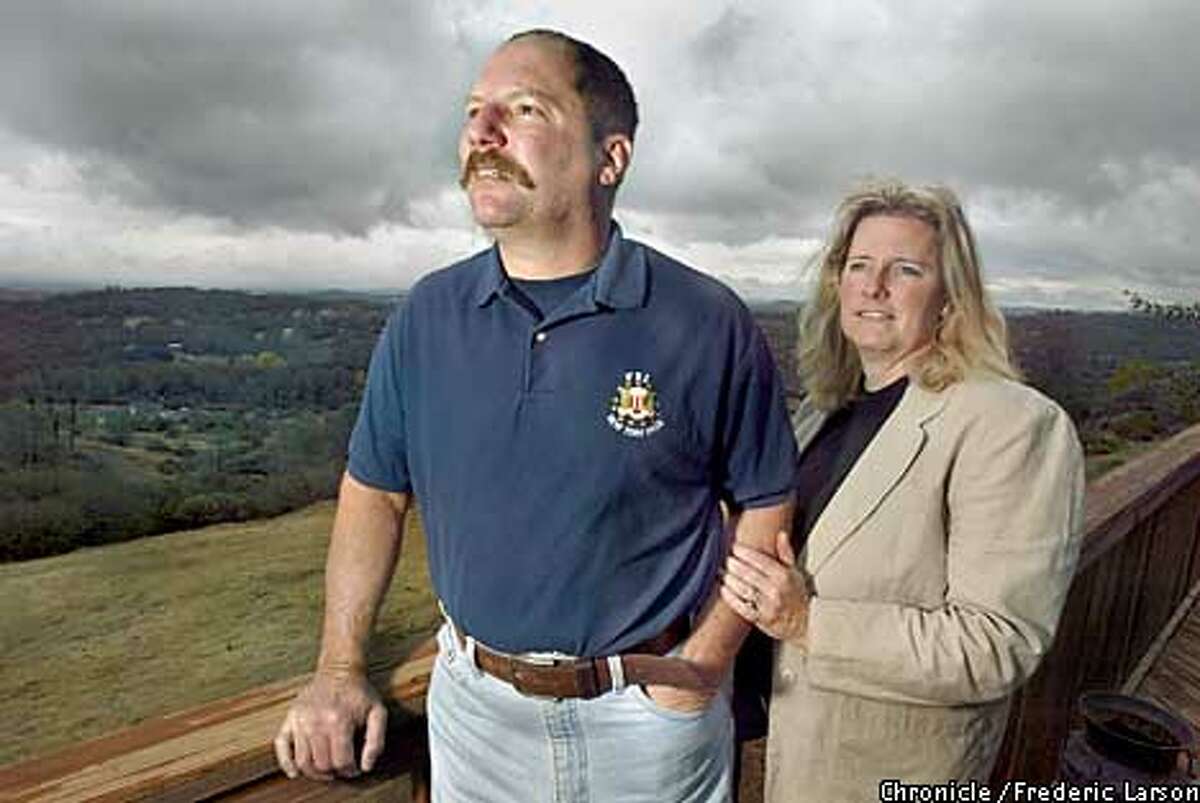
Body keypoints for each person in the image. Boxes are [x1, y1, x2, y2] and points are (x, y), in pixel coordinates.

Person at [273, 28, 797, 801]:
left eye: (524, 108)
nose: (483, 132)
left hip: (648, 722)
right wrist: (341, 670)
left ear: (609, 159)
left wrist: (702, 665)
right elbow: (375, 494)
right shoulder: (426, 316)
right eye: (474, 110)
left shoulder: (704, 319)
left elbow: (764, 499)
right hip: (474, 719)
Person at [720, 180, 1085, 802]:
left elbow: (995, 645)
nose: (873, 286)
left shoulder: (1012, 423)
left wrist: (807, 621)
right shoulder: (825, 411)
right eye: (858, 265)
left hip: (888, 775)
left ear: (950, 297)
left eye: (905, 269)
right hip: (789, 747)